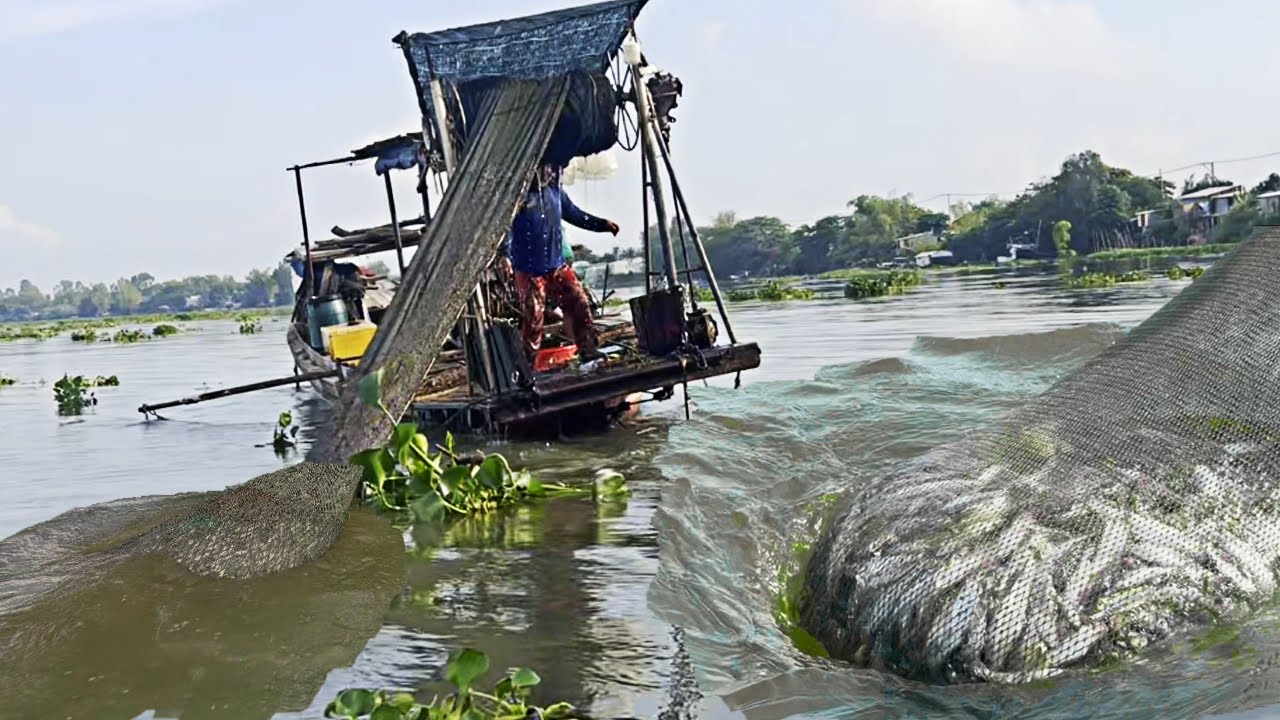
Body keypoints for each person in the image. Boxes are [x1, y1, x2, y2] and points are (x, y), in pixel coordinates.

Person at [505, 163, 618, 362]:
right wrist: (504, 254)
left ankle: (588, 350)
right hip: (529, 271)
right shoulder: (518, 197)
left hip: (556, 266)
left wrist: (601, 224)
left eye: (553, 170)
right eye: (546, 169)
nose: (552, 173)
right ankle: (527, 365)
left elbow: (574, 214)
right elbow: (504, 226)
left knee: (580, 303)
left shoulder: (555, 192)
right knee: (533, 318)